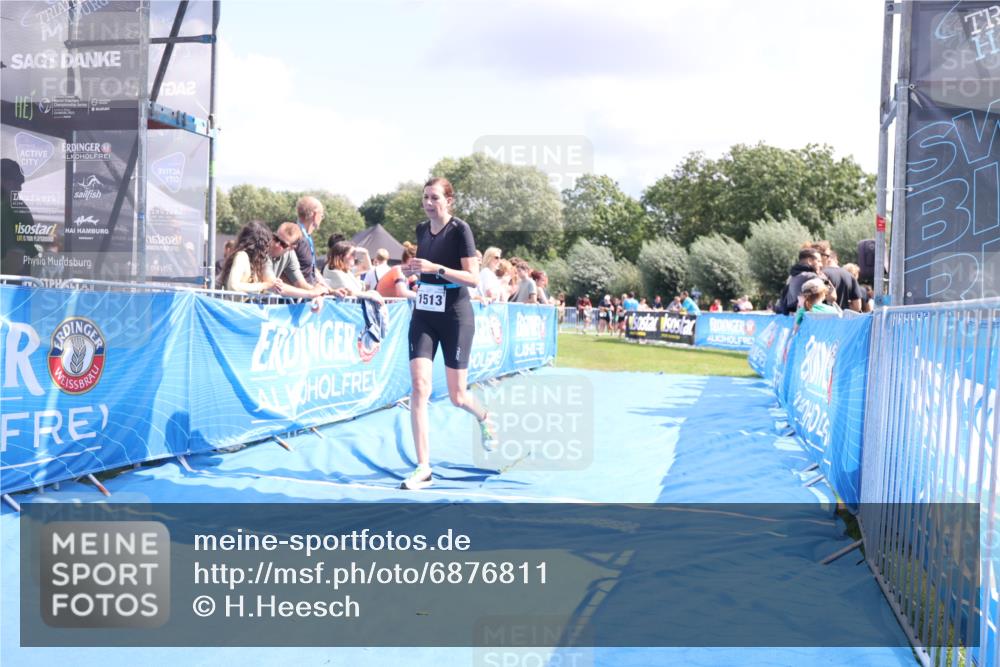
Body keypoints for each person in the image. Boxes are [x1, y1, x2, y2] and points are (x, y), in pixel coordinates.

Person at [400, 177, 494, 490]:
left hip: (455, 316)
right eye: (425, 197)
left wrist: (434, 267)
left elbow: (472, 278)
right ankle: (423, 467)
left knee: (457, 396)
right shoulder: (420, 230)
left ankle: (483, 416)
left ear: (448, 201)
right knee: (419, 387)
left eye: (435, 198)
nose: (428, 203)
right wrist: (416, 272)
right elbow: (424, 269)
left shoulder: (460, 230)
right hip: (425, 315)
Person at [268, 222, 337, 299]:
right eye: (276, 238)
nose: (276, 244)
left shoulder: (290, 254)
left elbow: (300, 284)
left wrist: (325, 291)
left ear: (292, 247)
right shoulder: (263, 249)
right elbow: (272, 284)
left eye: (283, 244)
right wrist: (311, 293)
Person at [218, 222, 278, 293]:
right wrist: (264, 285)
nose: (267, 247)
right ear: (260, 243)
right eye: (266, 243)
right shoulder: (242, 256)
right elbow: (233, 286)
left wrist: (273, 284)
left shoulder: (253, 261)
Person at [776, 248, 824, 315]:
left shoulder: (793, 276)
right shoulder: (811, 276)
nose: (821, 265)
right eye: (818, 261)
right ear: (810, 260)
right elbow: (830, 295)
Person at [293, 196, 326, 287]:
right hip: (299, 297)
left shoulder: (307, 237)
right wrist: (312, 291)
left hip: (310, 293)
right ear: (315, 214)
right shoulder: (295, 236)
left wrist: (331, 290)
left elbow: (313, 269)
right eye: (322, 215)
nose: (322, 219)